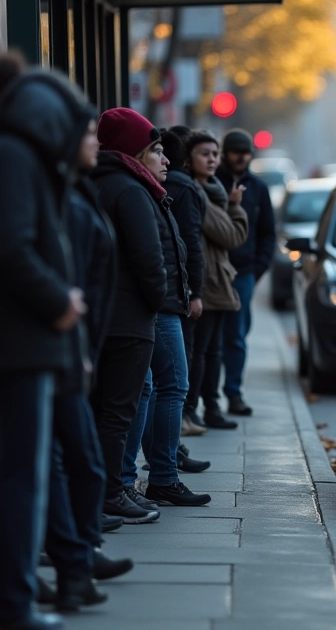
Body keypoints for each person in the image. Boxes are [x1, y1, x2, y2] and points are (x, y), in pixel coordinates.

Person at [0, 53, 91, 630]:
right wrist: (60, 302)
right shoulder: (16, 157)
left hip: (28, 344)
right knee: (22, 479)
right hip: (23, 345)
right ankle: (15, 605)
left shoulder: (20, 155)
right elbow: (11, 247)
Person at [40, 118, 133, 614]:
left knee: (75, 461)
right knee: (68, 461)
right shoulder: (55, 195)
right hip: (52, 351)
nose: (94, 143)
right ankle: (73, 561)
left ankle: (77, 559)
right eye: (86, 135)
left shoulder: (73, 190)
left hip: (70, 349)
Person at [89, 107, 169, 525]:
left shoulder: (93, 183)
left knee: (100, 407)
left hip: (100, 315)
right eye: (156, 149)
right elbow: (148, 259)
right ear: (136, 150)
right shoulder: (132, 190)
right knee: (119, 412)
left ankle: (101, 492)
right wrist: (156, 301)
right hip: (129, 318)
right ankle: (109, 493)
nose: (164, 158)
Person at [186, 132, 248, 429]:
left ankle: (209, 407)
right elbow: (231, 235)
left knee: (212, 351)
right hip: (207, 284)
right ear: (189, 158)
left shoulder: (210, 190)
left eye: (214, 153)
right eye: (204, 154)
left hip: (215, 281)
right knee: (203, 352)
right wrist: (235, 207)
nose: (212, 159)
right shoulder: (197, 193)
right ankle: (195, 409)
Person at [215, 128, 275, 416]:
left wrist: (257, 269)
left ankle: (234, 393)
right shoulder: (213, 183)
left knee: (237, 334)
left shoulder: (259, 189)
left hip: (243, 272)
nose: (242, 157)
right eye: (236, 151)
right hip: (215, 271)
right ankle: (209, 396)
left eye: (246, 152)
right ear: (225, 153)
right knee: (214, 336)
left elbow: (267, 234)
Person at [160, 129, 206, 439]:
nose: (161, 161)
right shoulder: (184, 188)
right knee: (175, 380)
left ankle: (170, 454)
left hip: (169, 293)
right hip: (171, 295)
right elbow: (189, 241)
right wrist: (195, 292)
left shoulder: (165, 186)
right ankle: (168, 457)